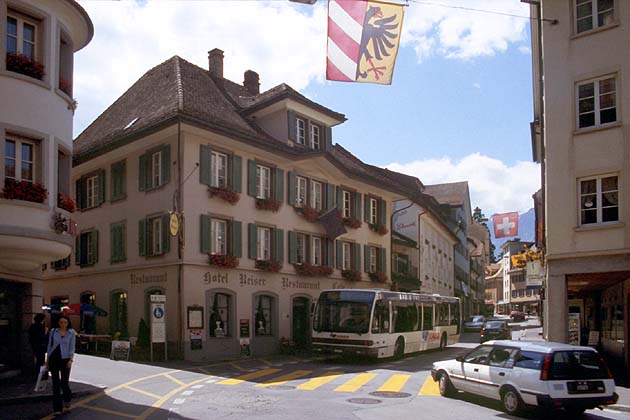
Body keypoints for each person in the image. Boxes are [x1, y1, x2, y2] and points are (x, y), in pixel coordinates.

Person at [46, 315, 76, 415]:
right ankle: (57, 408)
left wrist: (70, 360)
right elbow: (49, 346)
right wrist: (47, 360)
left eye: (65, 322)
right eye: (61, 322)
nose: (63, 324)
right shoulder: (54, 331)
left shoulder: (71, 333)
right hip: (54, 359)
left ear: (68, 323)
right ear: (58, 323)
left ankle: (67, 399)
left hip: (65, 359)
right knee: (55, 384)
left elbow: (72, 347)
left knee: (64, 382)